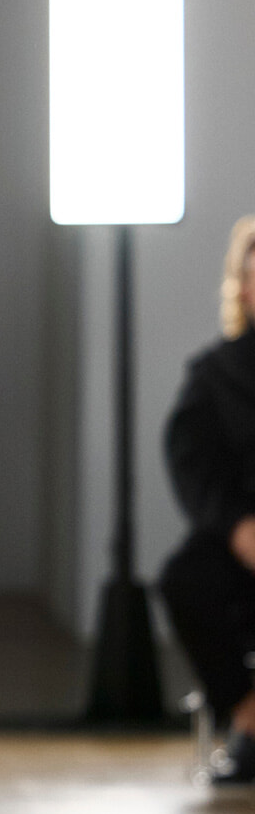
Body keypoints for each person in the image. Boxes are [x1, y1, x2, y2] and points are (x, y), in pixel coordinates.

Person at [160, 215, 255, 783]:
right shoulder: (216, 374)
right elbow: (191, 462)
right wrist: (238, 527)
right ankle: (248, 719)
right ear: (242, 288)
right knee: (186, 580)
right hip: (241, 538)